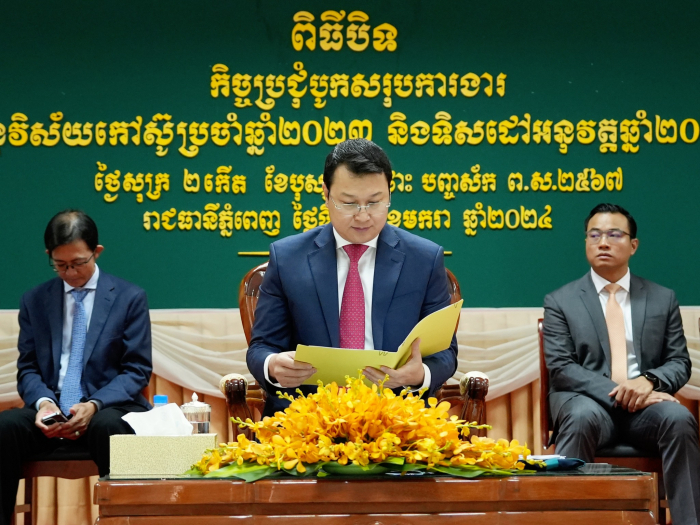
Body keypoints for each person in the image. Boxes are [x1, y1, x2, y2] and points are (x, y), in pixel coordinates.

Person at [246, 138, 458, 417]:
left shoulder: (424, 259)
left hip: (396, 417)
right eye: (349, 203)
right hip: (307, 417)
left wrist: (420, 375)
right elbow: (261, 347)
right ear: (326, 194)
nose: (363, 216)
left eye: (375, 202)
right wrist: (273, 365)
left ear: (389, 193)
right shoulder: (287, 258)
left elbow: (445, 353)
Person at [543, 203, 700, 525]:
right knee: (580, 416)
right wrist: (623, 391)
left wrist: (648, 381)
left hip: (646, 410)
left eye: (614, 234)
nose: (603, 242)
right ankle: (568, 519)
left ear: (633, 245)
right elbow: (561, 367)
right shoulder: (560, 301)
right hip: (587, 403)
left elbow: (679, 361)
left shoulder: (662, 298)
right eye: (594, 235)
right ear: (586, 242)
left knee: (680, 419)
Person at [0, 210, 152, 525]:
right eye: (60, 264)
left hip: (106, 408)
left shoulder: (129, 297)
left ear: (97, 252)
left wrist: (93, 405)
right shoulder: (35, 300)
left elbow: (136, 370)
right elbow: (28, 368)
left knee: (109, 427)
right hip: (52, 411)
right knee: (5, 426)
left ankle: (122, 519)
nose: (70, 272)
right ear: (49, 255)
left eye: (78, 263)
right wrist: (44, 404)